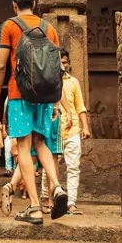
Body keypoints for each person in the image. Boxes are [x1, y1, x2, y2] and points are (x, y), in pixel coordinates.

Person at [0, 0, 68, 225]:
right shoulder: (49, 28)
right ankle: (56, 187)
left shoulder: (10, 26)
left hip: (19, 93)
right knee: (41, 143)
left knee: (23, 147)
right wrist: (56, 100)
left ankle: (34, 207)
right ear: (34, 4)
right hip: (45, 95)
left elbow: (1, 66)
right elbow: (57, 69)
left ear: (14, 5)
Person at [41, 48, 91, 215]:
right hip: (53, 131)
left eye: (64, 62)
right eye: (59, 62)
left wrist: (85, 127)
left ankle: (71, 203)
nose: (62, 65)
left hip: (72, 130)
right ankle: (48, 200)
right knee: (49, 168)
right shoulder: (48, 81)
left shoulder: (73, 82)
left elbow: (80, 107)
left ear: (68, 64)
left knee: (73, 167)